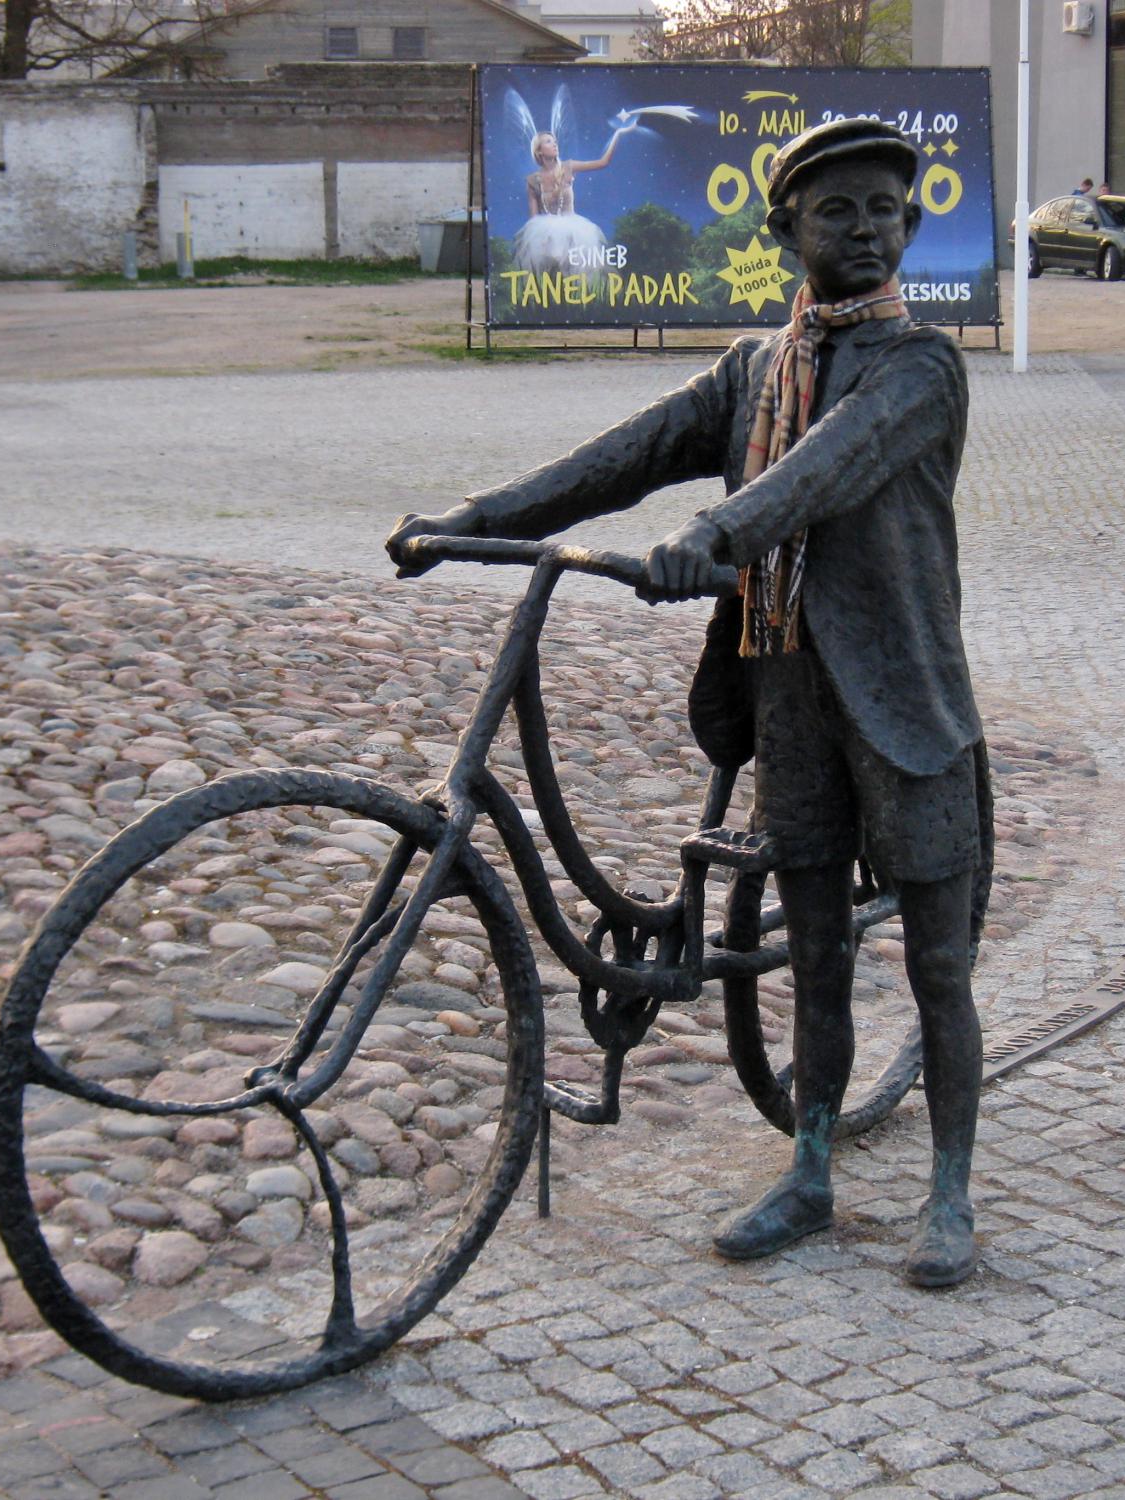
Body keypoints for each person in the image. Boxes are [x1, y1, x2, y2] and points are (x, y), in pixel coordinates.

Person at [386, 117, 993, 1289]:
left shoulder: (922, 368)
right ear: (787, 234)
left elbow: (823, 470)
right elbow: (617, 456)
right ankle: (809, 1169)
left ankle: (950, 1192)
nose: (862, 230)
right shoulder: (751, 370)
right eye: (835, 212)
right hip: (789, 689)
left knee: (935, 965)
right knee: (810, 946)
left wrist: (712, 531)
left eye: (882, 210)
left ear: (910, 229)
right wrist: (475, 518)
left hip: (907, 700)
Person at [513, 124, 636, 276]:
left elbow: (602, 162)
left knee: (579, 272)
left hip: (574, 232)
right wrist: (538, 243)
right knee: (551, 274)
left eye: (554, 141)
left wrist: (618, 133)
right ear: (539, 151)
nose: (555, 144)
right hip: (546, 236)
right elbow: (533, 218)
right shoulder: (532, 180)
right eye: (548, 141)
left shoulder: (568, 167)